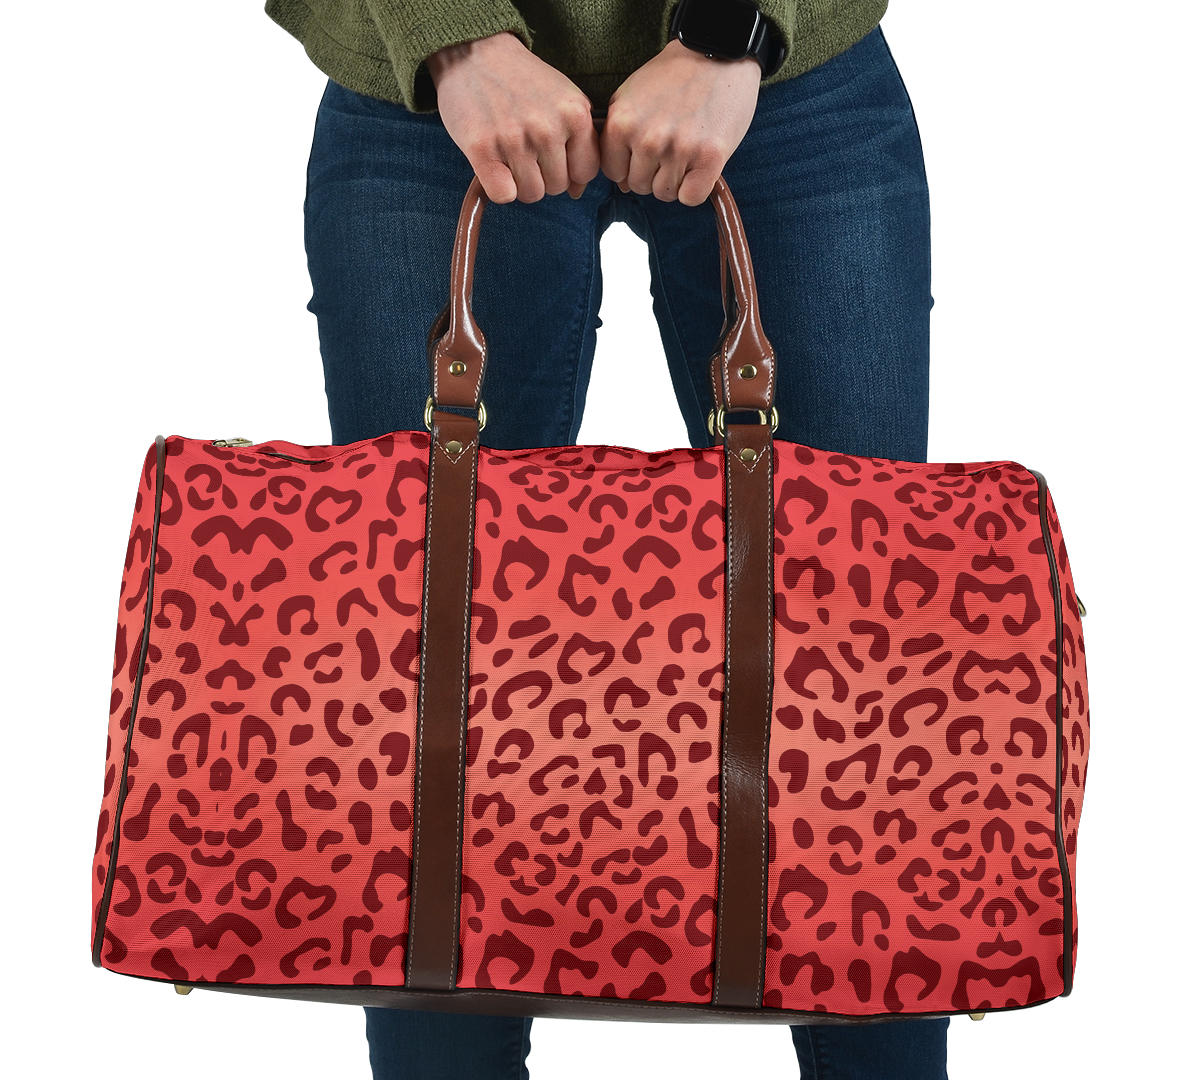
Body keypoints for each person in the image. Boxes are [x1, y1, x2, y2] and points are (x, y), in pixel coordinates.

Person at [267, 2, 942, 1077]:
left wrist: (734, 31)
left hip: (788, 75)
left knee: (858, 693)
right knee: (425, 695)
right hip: (429, 87)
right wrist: (451, 34)